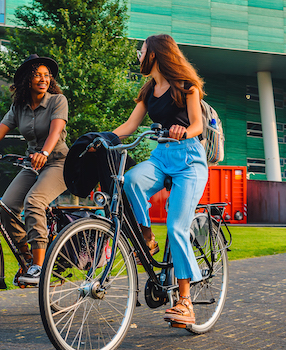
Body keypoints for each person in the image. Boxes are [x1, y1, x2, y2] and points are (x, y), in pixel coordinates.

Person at [113, 34, 207, 327]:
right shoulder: (148, 90)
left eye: (141, 52)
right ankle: (147, 236)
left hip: (189, 161)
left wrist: (184, 131)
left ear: (155, 54)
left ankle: (185, 301)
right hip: (161, 157)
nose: (139, 57)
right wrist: (100, 138)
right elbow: (130, 126)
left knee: (177, 227)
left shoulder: (186, 87)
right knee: (130, 180)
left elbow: (197, 124)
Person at [0, 54, 69, 285]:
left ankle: (39, 268)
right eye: (37, 75)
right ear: (27, 80)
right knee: (6, 209)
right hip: (32, 164)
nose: (43, 79)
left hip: (57, 162)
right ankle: (27, 260)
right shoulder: (18, 107)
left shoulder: (58, 101)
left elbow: (55, 132)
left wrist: (45, 153)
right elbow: (0, 129)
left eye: (46, 75)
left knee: (34, 202)